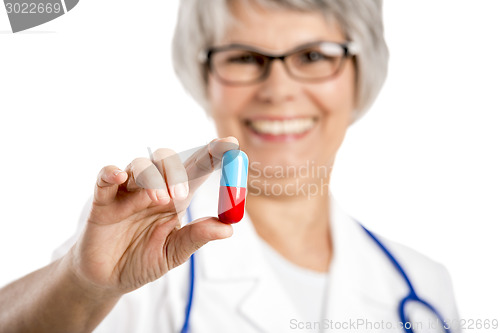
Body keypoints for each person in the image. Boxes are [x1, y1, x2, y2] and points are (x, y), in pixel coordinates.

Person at [0, 0, 460, 332]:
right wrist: (84, 284)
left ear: (362, 73)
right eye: (244, 57)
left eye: (314, 55)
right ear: (203, 76)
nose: (278, 89)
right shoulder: (146, 245)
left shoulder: (425, 288)